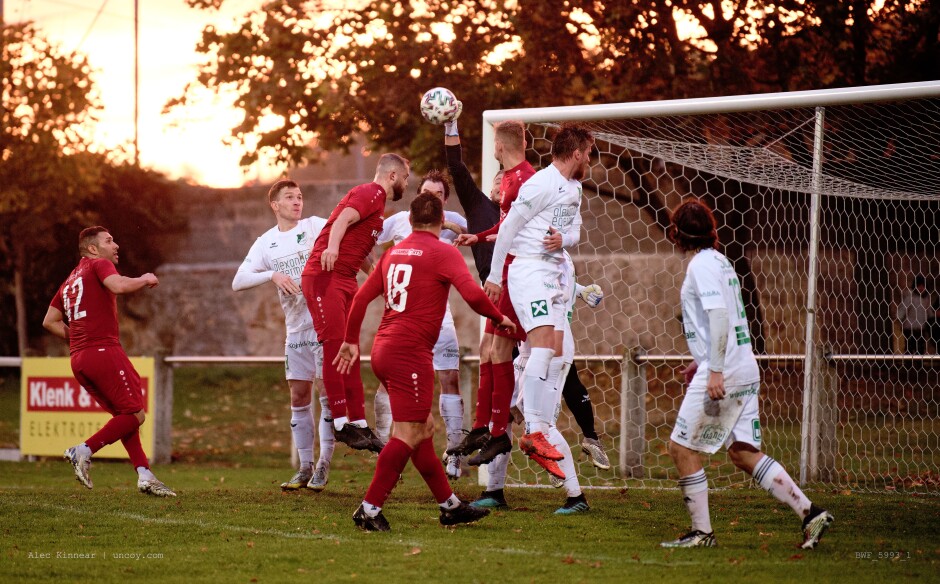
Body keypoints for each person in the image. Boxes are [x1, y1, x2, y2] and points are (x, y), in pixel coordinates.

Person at [335, 193, 517, 531]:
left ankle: (450, 505)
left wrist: (349, 341)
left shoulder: (392, 254)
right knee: (408, 431)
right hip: (409, 355)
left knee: (424, 429)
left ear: (411, 220)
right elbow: (474, 294)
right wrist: (500, 318)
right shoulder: (442, 251)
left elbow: (361, 298)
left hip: (383, 349)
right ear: (440, 221)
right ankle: (369, 509)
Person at [661, 198, 833, 549]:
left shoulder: (702, 266)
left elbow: (720, 316)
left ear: (678, 234)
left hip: (725, 372)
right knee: (743, 453)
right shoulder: (721, 262)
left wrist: (714, 371)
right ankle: (810, 513)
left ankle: (702, 533)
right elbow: (729, 320)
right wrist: (702, 360)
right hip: (741, 365)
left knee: (681, 447)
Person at [481, 125, 594, 480]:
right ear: (576, 153)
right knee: (542, 347)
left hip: (554, 274)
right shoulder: (540, 184)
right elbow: (509, 227)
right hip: (528, 271)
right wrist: (495, 276)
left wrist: (564, 237)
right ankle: (533, 427)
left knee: (554, 352)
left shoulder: (574, 189)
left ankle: (538, 422)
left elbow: (575, 231)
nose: (590, 158)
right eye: (588, 152)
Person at [43, 226, 175, 497]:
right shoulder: (98, 265)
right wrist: (144, 278)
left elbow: (49, 321)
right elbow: (118, 285)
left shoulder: (69, 280)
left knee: (124, 416)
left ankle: (145, 474)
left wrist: (79, 337)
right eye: (109, 240)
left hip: (79, 359)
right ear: (93, 249)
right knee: (135, 414)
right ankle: (83, 450)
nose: (115, 245)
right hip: (102, 351)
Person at [473, 252, 605, 513]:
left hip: (550, 352)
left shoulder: (552, 257)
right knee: (503, 416)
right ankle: (494, 491)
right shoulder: (530, 256)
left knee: (541, 428)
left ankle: (576, 497)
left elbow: (554, 294)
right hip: (527, 351)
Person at [301, 153, 410, 452]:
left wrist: (378, 277)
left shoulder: (379, 208)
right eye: (405, 177)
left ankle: (359, 422)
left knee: (350, 349)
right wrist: (332, 249)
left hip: (347, 279)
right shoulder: (370, 192)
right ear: (391, 176)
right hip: (326, 276)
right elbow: (343, 220)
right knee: (336, 347)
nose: (406, 183)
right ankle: (340, 423)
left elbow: (363, 252)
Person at [232, 179, 333, 491]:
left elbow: (347, 231)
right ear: (274, 205)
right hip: (295, 330)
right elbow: (239, 280)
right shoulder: (266, 242)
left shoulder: (316, 226)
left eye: (299, 196)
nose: (297, 201)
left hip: (324, 325)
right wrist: (272, 274)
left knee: (326, 394)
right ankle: (303, 466)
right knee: (298, 396)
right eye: (289, 197)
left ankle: (323, 465)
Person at [372, 170, 469, 478]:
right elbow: (364, 240)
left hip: (439, 317)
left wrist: (456, 230)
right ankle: (386, 452)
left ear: (445, 200)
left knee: (450, 378)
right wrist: (375, 272)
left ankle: (454, 456)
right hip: (402, 319)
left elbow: (483, 234)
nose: (431, 199)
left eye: (438, 195)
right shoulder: (400, 221)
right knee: (389, 385)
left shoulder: (451, 221)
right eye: (426, 192)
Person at [449, 120, 534, 467]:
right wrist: (478, 237)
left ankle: (499, 432)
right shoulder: (509, 181)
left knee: (501, 351)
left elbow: (522, 230)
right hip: (501, 278)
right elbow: (507, 227)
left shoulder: (527, 178)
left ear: (499, 146)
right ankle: (482, 427)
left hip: (516, 277)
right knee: (487, 350)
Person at [443, 115, 501, 283]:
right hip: (494, 286)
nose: (503, 184)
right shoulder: (479, 206)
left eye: (508, 181)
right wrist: (450, 126)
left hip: (526, 283)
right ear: (491, 191)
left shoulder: (522, 209)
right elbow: (456, 167)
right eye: (498, 181)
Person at [897, 275, 932, 355]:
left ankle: (919, 365)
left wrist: (932, 318)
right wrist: (899, 318)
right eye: (919, 286)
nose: (921, 288)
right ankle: (908, 364)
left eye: (923, 286)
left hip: (921, 328)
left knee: (920, 348)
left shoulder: (926, 298)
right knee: (910, 347)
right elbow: (903, 309)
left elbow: (929, 311)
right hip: (910, 328)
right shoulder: (910, 297)